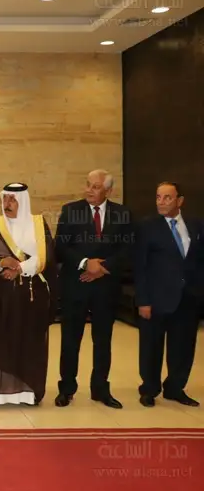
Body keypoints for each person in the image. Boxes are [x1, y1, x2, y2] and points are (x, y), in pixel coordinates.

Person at [0, 183, 58, 407]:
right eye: (5, 199)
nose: (7, 204)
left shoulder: (38, 224)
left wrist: (20, 268)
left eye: (12, 200)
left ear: (23, 201)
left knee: (28, 342)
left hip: (30, 295)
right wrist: (1, 263)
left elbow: (46, 256)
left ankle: (27, 392)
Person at [54, 169, 133, 409]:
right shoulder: (70, 211)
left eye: (96, 186)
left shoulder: (123, 214)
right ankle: (66, 388)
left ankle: (100, 389)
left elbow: (128, 249)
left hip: (106, 287)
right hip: (75, 285)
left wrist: (103, 267)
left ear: (109, 190)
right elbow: (61, 247)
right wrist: (85, 263)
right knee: (70, 340)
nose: (89, 190)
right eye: (88, 184)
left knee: (103, 341)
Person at [134, 182, 203, 408]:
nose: (161, 202)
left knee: (183, 347)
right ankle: (149, 389)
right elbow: (140, 266)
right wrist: (143, 300)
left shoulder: (195, 225)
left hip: (188, 298)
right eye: (158, 197)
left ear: (179, 201)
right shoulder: (147, 227)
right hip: (155, 299)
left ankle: (175, 388)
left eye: (167, 198)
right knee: (151, 347)